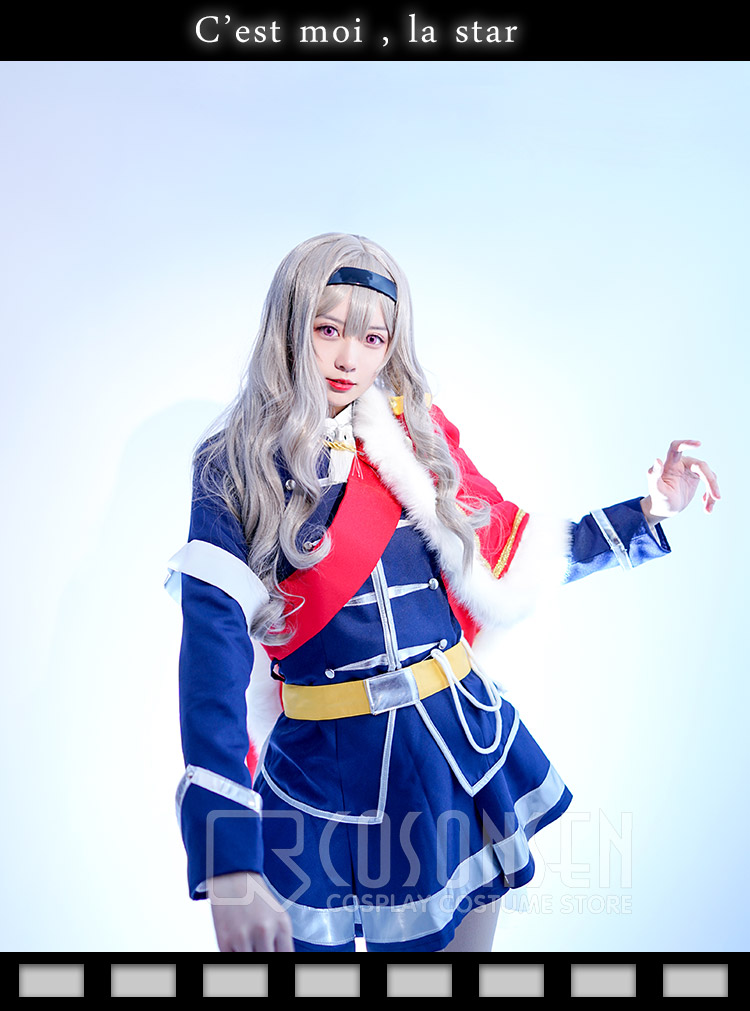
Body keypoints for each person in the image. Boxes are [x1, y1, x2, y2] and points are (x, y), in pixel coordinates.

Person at [165, 233, 720, 953]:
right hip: (318, 774)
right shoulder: (232, 465)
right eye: (328, 329)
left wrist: (647, 513)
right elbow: (210, 662)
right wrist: (229, 861)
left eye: (372, 337)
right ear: (290, 326)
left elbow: (514, 556)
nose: (348, 358)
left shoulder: (415, 438)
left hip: (452, 753)